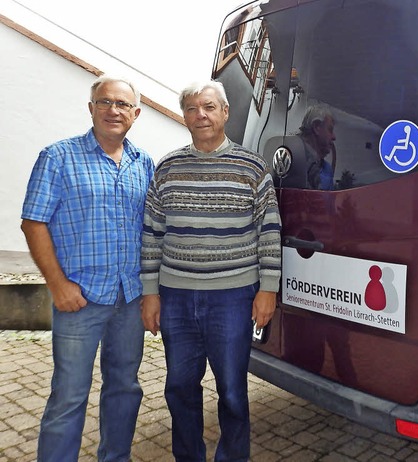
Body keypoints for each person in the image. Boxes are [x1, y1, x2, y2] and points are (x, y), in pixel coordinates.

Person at [140, 80, 282, 462]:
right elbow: (152, 233)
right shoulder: (167, 167)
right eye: (191, 108)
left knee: (233, 390)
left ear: (225, 113)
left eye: (208, 107)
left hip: (233, 298)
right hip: (176, 298)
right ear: (184, 115)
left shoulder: (252, 167)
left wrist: (268, 289)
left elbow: (269, 231)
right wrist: (150, 292)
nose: (199, 114)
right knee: (180, 387)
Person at [20, 74, 155, 462]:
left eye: (123, 105)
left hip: (128, 300)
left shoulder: (142, 162)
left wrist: (150, 291)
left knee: (124, 388)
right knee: (69, 395)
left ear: (136, 113)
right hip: (79, 299)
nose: (114, 110)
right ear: (91, 107)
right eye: (105, 102)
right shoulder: (58, 157)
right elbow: (33, 222)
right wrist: (57, 284)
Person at [297, 103, 337, 190]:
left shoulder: (327, 169)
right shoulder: (293, 159)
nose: (334, 137)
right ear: (316, 127)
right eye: (330, 129)